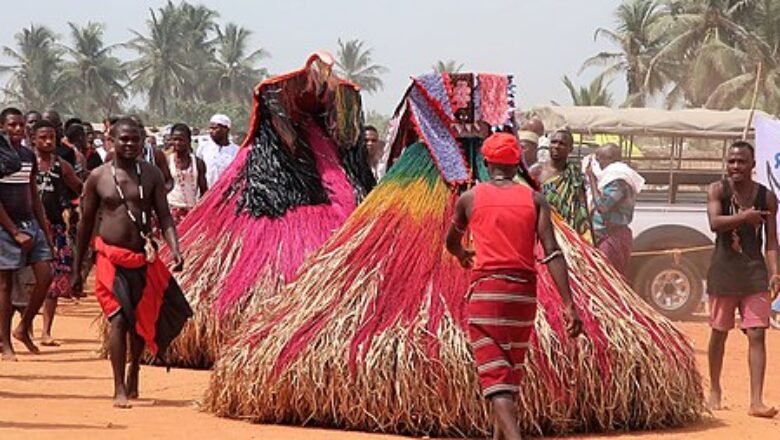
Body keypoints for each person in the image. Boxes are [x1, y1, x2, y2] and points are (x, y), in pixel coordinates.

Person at [445, 133, 582, 440]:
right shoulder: (535, 199)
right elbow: (552, 251)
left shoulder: (470, 198)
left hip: (487, 295)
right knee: (508, 375)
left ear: (486, 162)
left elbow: (451, 241)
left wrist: (462, 253)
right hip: (522, 297)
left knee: (495, 380)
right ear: (516, 163)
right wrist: (569, 304)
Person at [70, 117, 191, 408]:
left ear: (142, 142)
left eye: (134, 139)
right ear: (111, 140)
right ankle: (119, 387)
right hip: (110, 258)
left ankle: (134, 367)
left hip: (142, 258)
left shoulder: (150, 175)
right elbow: (85, 225)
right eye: (123, 139)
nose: (129, 144)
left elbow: (163, 216)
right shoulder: (98, 177)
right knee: (119, 318)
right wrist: (78, 269)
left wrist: (175, 249)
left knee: (140, 320)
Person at [706, 141, 779, 418]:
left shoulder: (767, 197)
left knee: (758, 333)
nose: (735, 166)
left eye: (741, 162)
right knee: (719, 332)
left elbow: (771, 240)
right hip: (723, 270)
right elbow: (715, 224)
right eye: (731, 161)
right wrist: (744, 217)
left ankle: (756, 400)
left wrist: (775, 272)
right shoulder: (717, 190)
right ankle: (714, 389)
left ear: (753, 165)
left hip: (754, 272)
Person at [0, 107, 53, 360]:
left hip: (29, 222)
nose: (18, 129)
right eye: (12, 125)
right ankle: (5, 341)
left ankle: (23, 327)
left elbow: (33, 194)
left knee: (46, 275)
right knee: (5, 286)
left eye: (21, 125)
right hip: (5, 226)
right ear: (2, 127)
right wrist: (13, 231)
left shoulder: (27, 155)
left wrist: (44, 229)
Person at [32, 120, 83, 346]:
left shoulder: (61, 166)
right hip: (28, 228)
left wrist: (75, 209)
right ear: (33, 138)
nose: (48, 141)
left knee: (53, 282)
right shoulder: (24, 163)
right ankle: (21, 327)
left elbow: (81, 188)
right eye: (43, 138)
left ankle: (46, 331)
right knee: (20, 280)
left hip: (54, 229)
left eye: (52, 137)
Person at [585, 143, 643, 275]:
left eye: (599, 159)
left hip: (611, 237)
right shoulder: (608, 179)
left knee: (606, 279)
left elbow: (603, 207)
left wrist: (592, 180)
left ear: (609, 159)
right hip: (602, 235)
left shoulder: (618, 180)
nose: (597, 163)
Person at [535, 128, 592, 243]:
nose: (556, 146)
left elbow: (582, 209)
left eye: (561, 143)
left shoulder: (574, 175)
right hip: (540, 234)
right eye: (553, 142)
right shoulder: (537, 171)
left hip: (567, 237)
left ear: (570, 149)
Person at [166, 123, 208, 224]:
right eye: (174, 139)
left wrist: (203, 211)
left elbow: (204, 190)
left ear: (189, 141)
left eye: (181, 139)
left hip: (192, 211)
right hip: (172, 209)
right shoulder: (167, 161)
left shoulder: (198, 163)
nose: (177, 143)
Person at [197, 114, 239, 188]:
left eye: (215, 128)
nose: (211, 131)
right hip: (208, 193)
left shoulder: (236, 151)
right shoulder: (204, 148)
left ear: (226, 129)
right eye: (210, 128)